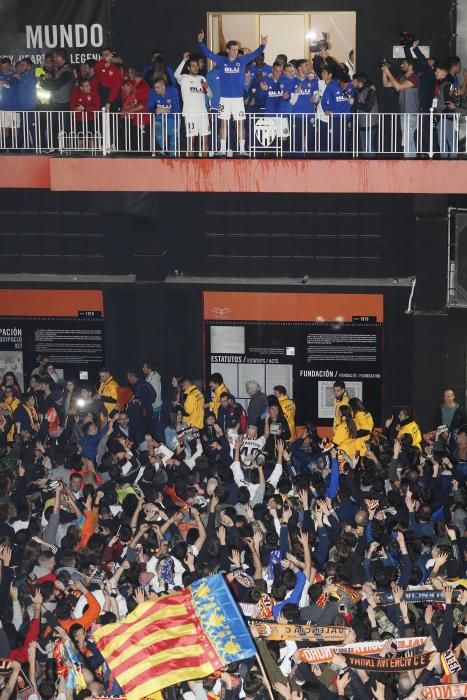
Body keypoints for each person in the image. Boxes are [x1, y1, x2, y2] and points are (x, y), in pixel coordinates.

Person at [198, 29, 268, 155]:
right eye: (234, 49)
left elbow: (255, 54)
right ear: (228, 50)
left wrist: (263, 44)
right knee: (223, 123)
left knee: (241, 122)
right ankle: (223, 149)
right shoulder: (221, 60)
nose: (236, 52)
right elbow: (208, 54)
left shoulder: (241, 61)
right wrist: (200, 42)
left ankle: (242, 150)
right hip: (224, 99)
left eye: (237, 49)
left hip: (237, 99)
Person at [382, 58, 420, 158]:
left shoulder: (414, 78)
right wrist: (384, 72)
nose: (401, 66)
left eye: (403, 64)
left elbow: (398, 87)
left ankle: (409, 161)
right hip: (404, 113)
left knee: (407, 138)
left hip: (411, 114)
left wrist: (388, 72)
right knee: (407, 139)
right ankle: (411, 160)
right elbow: (386, 84)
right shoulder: (403, 78)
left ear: (410, 65)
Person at [174, 52, 210, 156]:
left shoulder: (202, 78)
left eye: (197, 65)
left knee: (205, 141)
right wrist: (184, 61)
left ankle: (205, 167)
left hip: (203, 114)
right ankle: (191, 166)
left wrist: (206, 88)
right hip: (190, 114)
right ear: (189, 68)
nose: (195, 68)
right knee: (191, 141)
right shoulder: (184, 78)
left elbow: (211, 95)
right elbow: (176, 74)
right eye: (193, 66)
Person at [148, 77, 180, 156]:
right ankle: (162, 149)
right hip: (160, 116)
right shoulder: (152, 92)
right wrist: (155, 110)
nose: (156, 90)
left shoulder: (173, 91)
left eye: (158, 87)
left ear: (163, 86)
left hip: (173, 117)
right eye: (155, 87)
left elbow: (177, 109)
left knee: (173, 140)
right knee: (157, 126)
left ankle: (173, 159)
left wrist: (166, 110)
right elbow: (149, 108)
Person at [351, 72, 378, 156]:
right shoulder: (357, 92)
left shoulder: (370, 91)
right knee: (364, 147)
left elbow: (368, 107)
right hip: (362, 123)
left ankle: (372, 167)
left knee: (369, 147)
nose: (352, 83)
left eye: (354, 81)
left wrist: (354, 103)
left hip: (370, 123)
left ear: (360, 82)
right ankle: (366, 167)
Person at [95, 47, 122, 111]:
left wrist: (109, 101)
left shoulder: (116, 68)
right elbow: (96, 68)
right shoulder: (99, 64)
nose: (109, 56)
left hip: (112, 97)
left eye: (109, 54)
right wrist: (105, 61)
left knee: (112, 118)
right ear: (102, 57)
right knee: (102, 118)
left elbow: (116, 86)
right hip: (101, 96)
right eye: (106, 55)